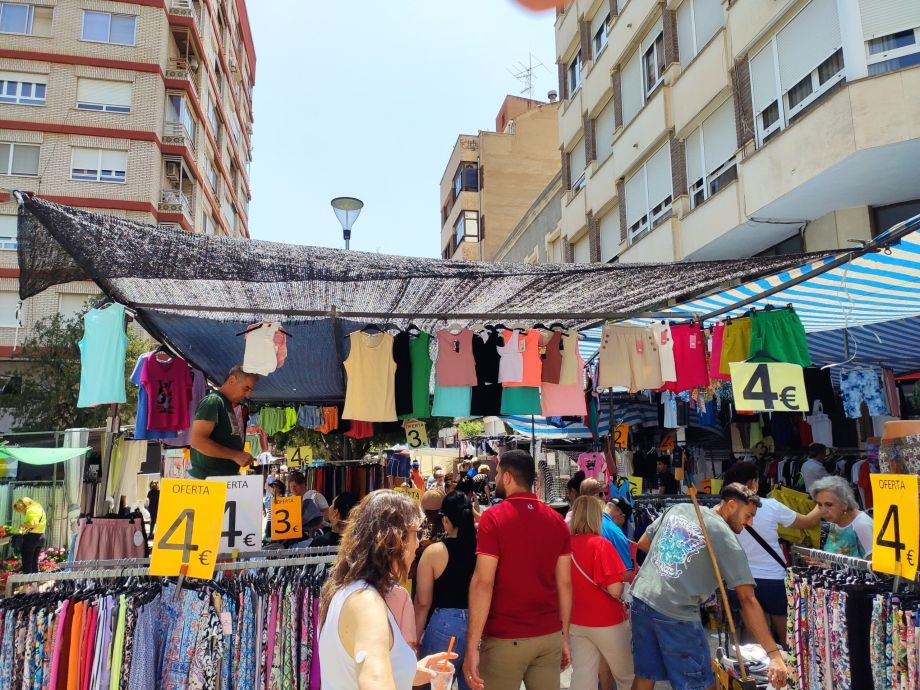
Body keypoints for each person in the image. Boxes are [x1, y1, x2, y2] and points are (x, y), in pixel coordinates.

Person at [629, 483, 789, 690]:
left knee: (645, 676)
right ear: (731, 505)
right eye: (748, 516)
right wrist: (774, 655)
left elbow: (643, 542)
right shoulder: (726, 539)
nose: (749, 523)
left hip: (641, 598)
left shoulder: (679, 508)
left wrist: (678, 565)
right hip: (677, 612)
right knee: (700, 685)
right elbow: (747, 600)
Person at [318, 490, 456, 689]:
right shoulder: (366, 602)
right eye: (416, 533)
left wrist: (410, 671)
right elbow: (375, 680)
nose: (418, 543)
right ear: (395, 539)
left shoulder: (348, 591)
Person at [464, 450, 572, 690]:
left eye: (498, 474)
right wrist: (564, 637)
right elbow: (564, 584)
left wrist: (471, 646)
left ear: (508, 477)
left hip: (505, 637)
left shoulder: (493, 518)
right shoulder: (557, 521)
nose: (495, 479)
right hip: (548, 635)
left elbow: (483, 582)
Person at [723, 460, 821, 646]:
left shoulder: (724, 511)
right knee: (787, 639)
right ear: (752, 483)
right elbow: (809, 522)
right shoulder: (770, 506)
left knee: (755, 641)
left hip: (740, 581)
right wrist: (820, 503)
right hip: (773, 580)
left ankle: (757, 665)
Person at [568, 496, 634, 690]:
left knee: (582, 678)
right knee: (626, 676)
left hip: (577, 620)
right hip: (607, 621)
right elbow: (615, 590)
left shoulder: (565, 545)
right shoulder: (601, 545)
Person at [414, 491, 477, 690]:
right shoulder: (482, 550)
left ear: (446, 520)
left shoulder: (434, 552)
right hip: (478, 623)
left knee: (434, 683)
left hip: (444, 624)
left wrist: (414, 641)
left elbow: (422, 603)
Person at [189, 366, 257, 479]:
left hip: (219, 479)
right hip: (207, 481)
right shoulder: (214, 401)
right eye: (246, 388)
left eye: (251, 390)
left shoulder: (225, 404)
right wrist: (235, 455)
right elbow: (197, 441)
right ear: (232, 380)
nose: (248, 395)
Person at [812, 475, 873, 558]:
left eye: (829, 505)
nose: (822, 511)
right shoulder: (834, 520)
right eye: (819, 504)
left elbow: (873, 564)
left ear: (844, 504)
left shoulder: (862, 525)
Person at [601, 499, 634, 579]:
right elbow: (627, 574)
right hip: (605, 583)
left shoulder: (587, 521)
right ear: (622, 516)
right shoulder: (615, 531)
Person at [13, 497, 45, 574]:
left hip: (31, 538)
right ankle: (35, 580)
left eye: (20, 508)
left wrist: (23, 525)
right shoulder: (39, 507)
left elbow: (34, 524)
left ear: (25, 505)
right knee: (34, 562)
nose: (20, 511)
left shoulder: (31, 510)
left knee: (27, 562)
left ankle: (27, 580)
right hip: (41, 536)